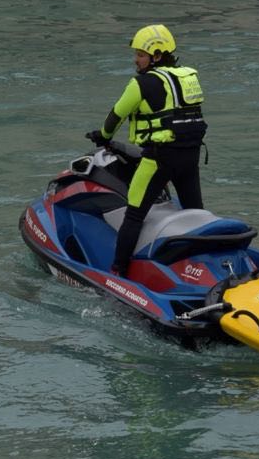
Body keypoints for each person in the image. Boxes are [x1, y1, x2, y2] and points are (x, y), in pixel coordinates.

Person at [86, 24, 208, 277]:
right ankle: (203, 266)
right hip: (190, 155)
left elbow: (116, 116)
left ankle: (118, 272)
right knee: (196, 212)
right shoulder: (187, 78)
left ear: (157, 55)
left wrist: (103, 136)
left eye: (140, 54)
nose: (136, 60)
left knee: (134, 215)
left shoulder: (141, 83)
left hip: (159, 158)